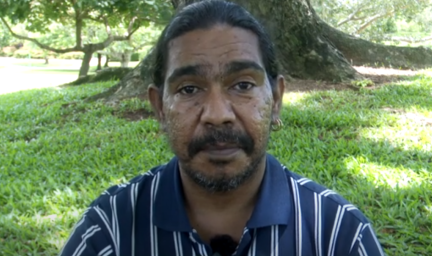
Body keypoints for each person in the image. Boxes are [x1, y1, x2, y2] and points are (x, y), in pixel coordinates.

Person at [59, 1, 386, 255]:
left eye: (243, 85)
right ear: (159, 107)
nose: (217, 115)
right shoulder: (109, 233)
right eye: (189, 89)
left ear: (276, 100)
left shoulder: (339, 234)